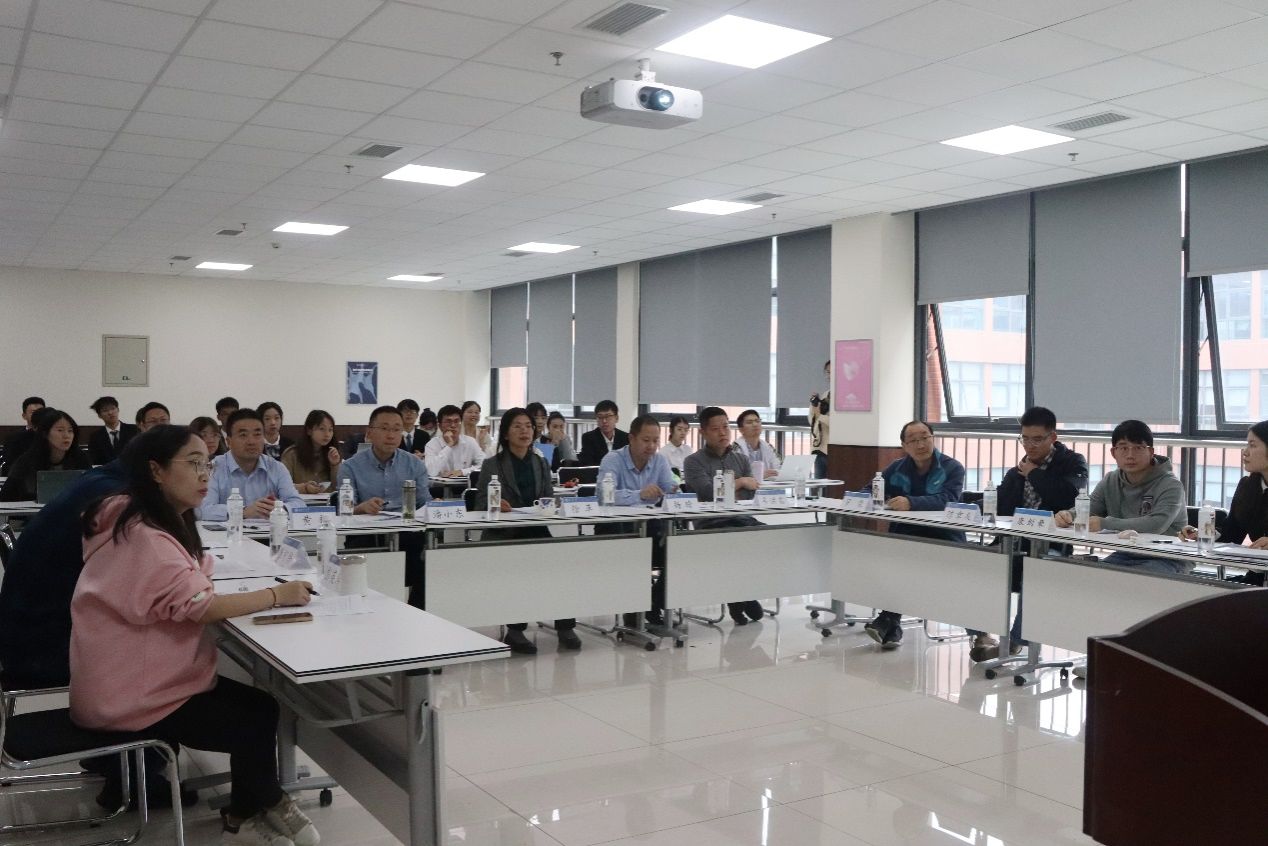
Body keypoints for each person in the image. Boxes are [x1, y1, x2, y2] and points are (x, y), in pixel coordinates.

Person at [71, 425, 319, 846]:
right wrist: (278, 594)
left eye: (207, 464)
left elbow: (187, 584)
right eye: (193, 463)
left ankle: (246, 812)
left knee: (258, 706)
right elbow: (202, 605)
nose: (205, 474)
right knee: (253, 718)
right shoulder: (146, 537)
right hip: (132, 695)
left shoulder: (132, 517)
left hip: (123, 679)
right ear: (156, 471)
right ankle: (267, 803)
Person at [970, 406, 1088, 662]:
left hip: (1051, 547)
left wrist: (1033, 474)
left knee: (1036, 570)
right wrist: (968, 508)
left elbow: (1068, 496)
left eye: (1037, 439)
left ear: (1052, 437)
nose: (1029, 445)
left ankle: (1016, 642)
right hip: (1013, 543)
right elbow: (1001, 503)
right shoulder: (1018, 470)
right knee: (972, 562)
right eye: (1024, 439)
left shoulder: (1072, 462)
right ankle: (980, 633)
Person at [474, 408, 579, 653]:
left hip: (536, 530)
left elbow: (548, 498)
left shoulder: (540, 462)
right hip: (505, 534)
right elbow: (479, 503)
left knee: (563, 564)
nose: (524, 431)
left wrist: (550, 507)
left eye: (529, 426)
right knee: (516, 568)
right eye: (517, 426)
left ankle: (565, 626)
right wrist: (494, 504)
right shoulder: (492, 464)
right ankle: (515, 631)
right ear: (506, 433)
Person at [861, 421, 966, 649]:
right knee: (891, 560)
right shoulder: (897, 468)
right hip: (906, 536)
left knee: (908, 561)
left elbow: (948, 499)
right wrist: (865, 499)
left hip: (944, 538)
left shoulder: (952, 467)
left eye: (925, 438)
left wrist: (911, 503)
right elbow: (870, 489)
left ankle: (889, 622)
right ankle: (890, 624)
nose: (920, 444)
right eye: (913, 440)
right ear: (904, 445)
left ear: (933, 438)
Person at [1055, 419, 1187, 571]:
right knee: (1092, 575)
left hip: (1169, 556)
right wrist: (1069, 515)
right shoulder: (1111, 480)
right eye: (1123, 448)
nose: (1130, 455)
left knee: (1135, 580)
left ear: (1151, 452)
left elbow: (1157, 524)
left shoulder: (1171, 484)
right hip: (1127, 553)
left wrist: (1105, 524)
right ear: (1113, 453)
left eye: (1138, 448)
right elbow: (1091, 507)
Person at [336, 406, 431, 607]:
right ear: (370, 432)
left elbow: (424, 504)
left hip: (408, 536)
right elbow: (343, 509)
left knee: (431, 559)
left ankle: (415, 613)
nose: (391, 435)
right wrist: (361, 507)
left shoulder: (415, 465)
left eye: (397, 429)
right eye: (385, 428)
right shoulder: (350, 467)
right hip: (366, 536)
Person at [683, 406, 764, 625]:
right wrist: (740, 482)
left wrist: (732, 488)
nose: (722, 433)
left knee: (766, 535)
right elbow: (708, 492)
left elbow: (750, 493)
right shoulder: (693, 461)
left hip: (741, 517)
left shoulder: (741, 459)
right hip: (711, 522)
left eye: (726, 427)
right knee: (738, 540)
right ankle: (742, 596)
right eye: (716, 429)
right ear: (703, 432)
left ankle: (740, 595)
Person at [599, 415, 678, 624]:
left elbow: (669, 489)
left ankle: (653, 604)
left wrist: (674, 491)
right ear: (631, 438)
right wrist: (639, 495)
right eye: (646, 440)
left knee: (679, 552)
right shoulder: (613, 459)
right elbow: (604, 495)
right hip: (617, 530)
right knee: (637, 551)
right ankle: (636, 610)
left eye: (655, 440)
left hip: (651, 528)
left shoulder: (660, 460)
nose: (651, 446)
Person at [1180, 419, 1268, 582]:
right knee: (1209, 592)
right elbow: (1231, 535)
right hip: (1258, 576)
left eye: (1253, 445)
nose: (1245, 452)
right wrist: (1203, 534)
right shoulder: (1248, 486)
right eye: (1246, 445)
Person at [198, 408, 305, 521]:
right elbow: (202, 509)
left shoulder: (277, 468)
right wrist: (242, 511)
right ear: (229, 442)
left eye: (257, 434)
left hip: (269, 531)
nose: (251, 442)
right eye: (243, 435)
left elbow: (298, 503)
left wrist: (279, 509)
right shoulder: (213, 468)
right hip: (229, 532)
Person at [1, 409, 91, 501]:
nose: (66, 435)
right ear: (45, 433)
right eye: (60, 430)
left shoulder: (80, 458)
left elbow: (92, 490)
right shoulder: (27, 461)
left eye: (70, 431)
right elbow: (6, 496)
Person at [281, 410, 343, 493]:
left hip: (326, 500)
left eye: (330, 430)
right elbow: (283, 485)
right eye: (322, 429)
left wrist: (335, 465)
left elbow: (339, 486)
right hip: (299, 499)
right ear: (309, 431)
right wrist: (304, 488)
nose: (327, 434)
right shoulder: (291, 454)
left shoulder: (332, 454)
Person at [425, 404, 485, 477]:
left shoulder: (470, 442)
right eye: (448, 422)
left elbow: (485, 464)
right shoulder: (432, 444)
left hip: (464, 483)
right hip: (439, 484)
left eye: (456, 421)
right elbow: (430, 471)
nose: (453, 425)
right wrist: (449, 445)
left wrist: (462, 472)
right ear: (440, 426)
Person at [87, 395, 139, 465]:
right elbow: (95, 460)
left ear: (118, 410)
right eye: (105, 410)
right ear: (99, 415)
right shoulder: (95, 437)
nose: (110, 413)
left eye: (113, 408)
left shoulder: (134, 430)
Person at [1, 395, 45, 473]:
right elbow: (8, 464)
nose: (38, 415)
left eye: (41, 412)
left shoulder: (52, 435)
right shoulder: (13, 438)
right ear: (24, 416)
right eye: (33, 412)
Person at [578, 399, 629, 465]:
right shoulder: (589, 438)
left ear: (616, 418)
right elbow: (588, 464)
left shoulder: (625, 437)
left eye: (608, 416)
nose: (604, 421)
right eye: (600, 417)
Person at [733, 409, 781, 479]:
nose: (755, 424)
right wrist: (759, 475)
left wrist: (776, 472)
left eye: (757, 421)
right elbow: (735, 474)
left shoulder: (768, 447)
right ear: (741, 429)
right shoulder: (736, 448)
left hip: (768, 484)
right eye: (749, 422)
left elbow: (779, 467)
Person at [810, 360, 831, 479]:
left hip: (834, 449)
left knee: (832, 487)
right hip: (820, 447)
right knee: (817, 486)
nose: (830, 376)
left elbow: (840, 424)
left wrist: (820, 416)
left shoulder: (844, 396)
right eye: (828, 372)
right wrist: (813, 405)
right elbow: (812, 420)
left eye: (833, 372)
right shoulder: (825, 395)